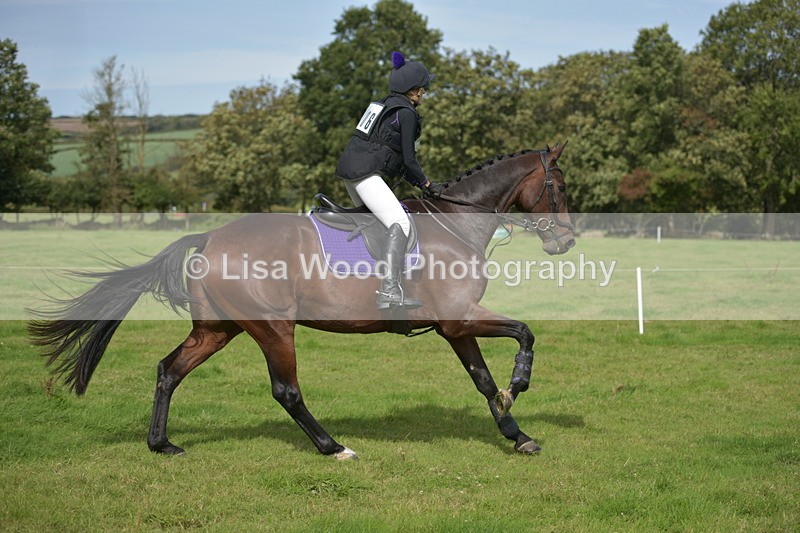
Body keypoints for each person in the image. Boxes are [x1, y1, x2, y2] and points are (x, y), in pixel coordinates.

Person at [335, 51, 444, 310]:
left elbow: (384, 149)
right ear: (413, 90)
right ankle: (389, 291)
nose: (424, 93)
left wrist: (415, 181)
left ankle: (367, 284)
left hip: (351, 172)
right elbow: (409, 159)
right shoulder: (407, 113)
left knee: (380, 226)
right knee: (399, 222)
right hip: (366, 175)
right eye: (423, 89)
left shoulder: (380, 105)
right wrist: (426, 184)